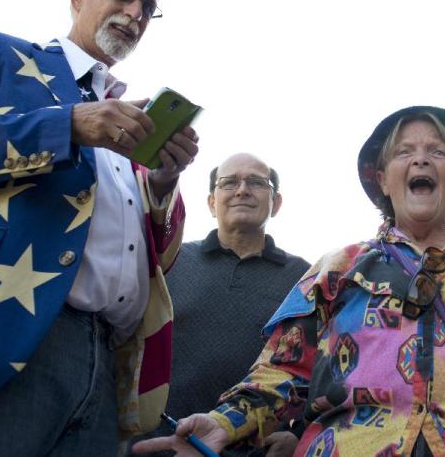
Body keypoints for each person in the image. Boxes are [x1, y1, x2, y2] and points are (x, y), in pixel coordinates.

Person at [135, 106, 445, 456]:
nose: (420, 161)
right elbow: (282, 373)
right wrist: (221, 424)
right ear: (383, 178)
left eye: (436, 152)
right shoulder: (337, 268)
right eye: (405, 153)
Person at [0, 0, 200, 456]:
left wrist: (162, 181)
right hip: (2, 338)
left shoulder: (125, 120)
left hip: (106, 363)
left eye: (148, 7)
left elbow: (147, 253)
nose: (135, 13)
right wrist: (67, 124)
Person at [128, 153, 309, 457]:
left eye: (256, 182)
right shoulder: (169, 262)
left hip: (256, 450)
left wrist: (299, 435)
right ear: (212, 203)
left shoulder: (305, 278)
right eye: (229, 183)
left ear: (276, 203)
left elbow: (321, 364)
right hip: (159, 443)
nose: (242, 190)